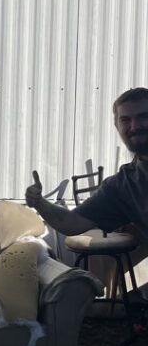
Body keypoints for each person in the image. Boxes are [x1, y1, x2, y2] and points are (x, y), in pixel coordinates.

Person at [25, 87, 148, 237]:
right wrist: (39, 202)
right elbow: (72, 222)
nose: (134, 126)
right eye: (125, 120)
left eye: (143, 117)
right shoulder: (124, 185)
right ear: (117, 126)